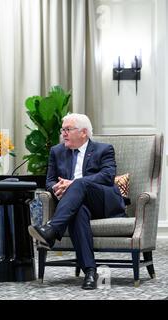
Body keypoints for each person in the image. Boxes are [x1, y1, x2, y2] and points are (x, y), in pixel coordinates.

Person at [28, 113, 126, 290]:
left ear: (84, 133)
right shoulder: (57, 151)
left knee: (80, 183)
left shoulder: (104, 149)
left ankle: (51, 229)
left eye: (68, 129)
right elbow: (49, 181)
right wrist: (56, 189)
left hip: (102, 202)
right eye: (62, 130)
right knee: (77, 212)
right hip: (73, 205)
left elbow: (107, 176)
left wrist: (73, 184)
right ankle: (90, 272)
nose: (63, 133)